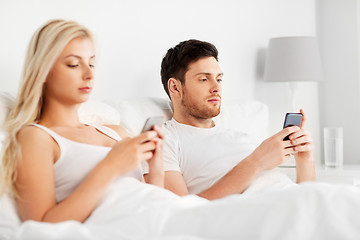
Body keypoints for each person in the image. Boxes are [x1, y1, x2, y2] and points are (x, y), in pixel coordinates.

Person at [0, 19, 165, 223]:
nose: (89, 74)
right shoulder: (37, 138)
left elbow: (152, 204)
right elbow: (40, 227)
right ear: (43, 71)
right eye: (74, 64)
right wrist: (110, 166)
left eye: (92, 63)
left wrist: (156, 169)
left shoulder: (117, 133)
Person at [155, 39, 316, 200]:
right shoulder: (165, 141)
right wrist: (257, 161)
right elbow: (181, 211)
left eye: (218, 79)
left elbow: (308, 198)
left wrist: (305, 160)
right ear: (175, 87)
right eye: (204, 79)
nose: (216, 88)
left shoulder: (239, 136)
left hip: (294, 203)